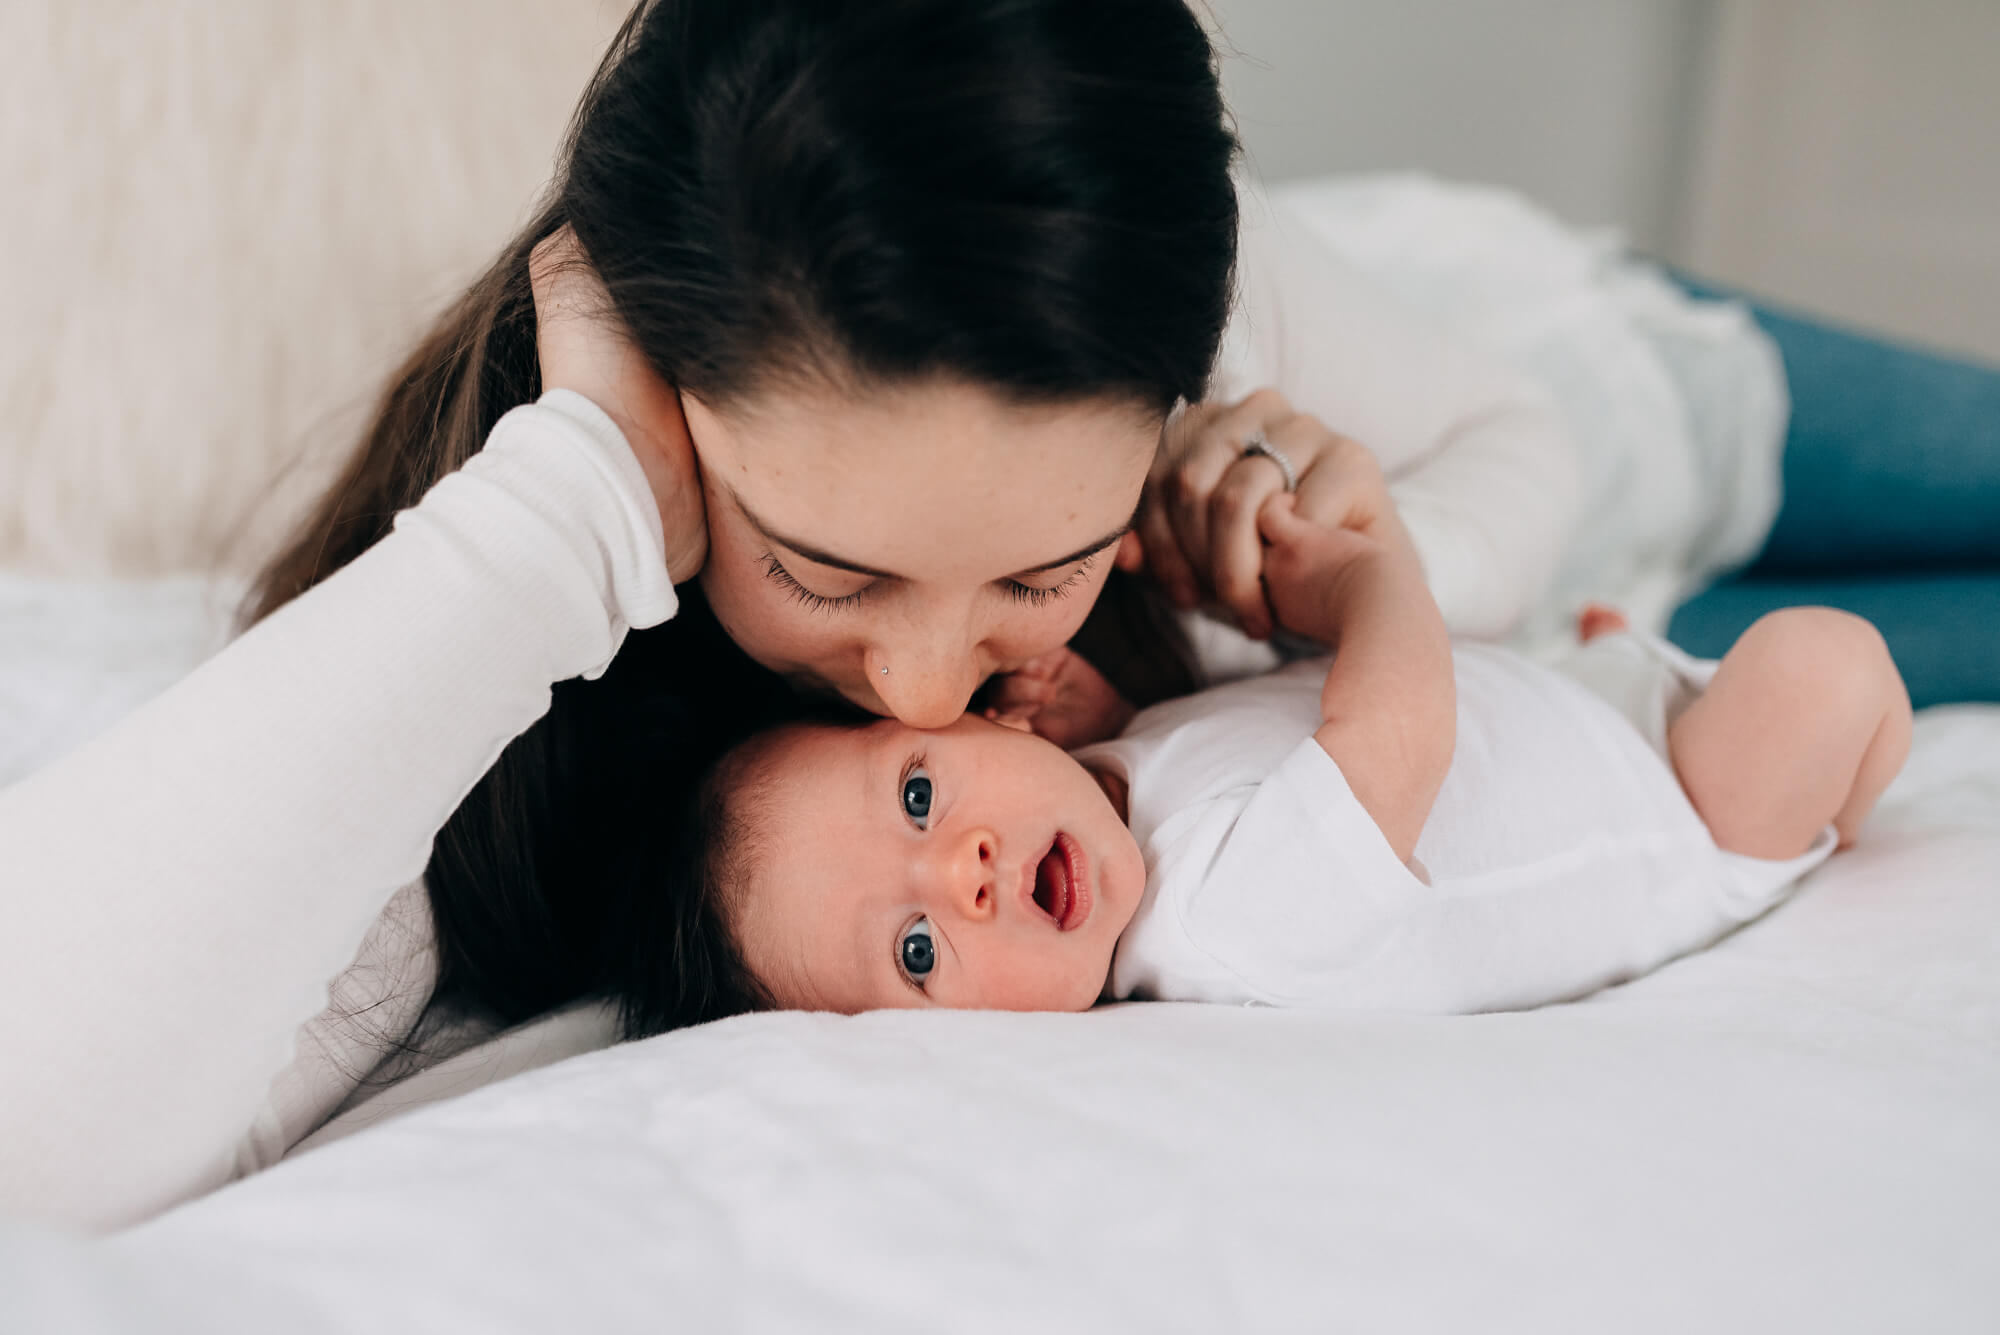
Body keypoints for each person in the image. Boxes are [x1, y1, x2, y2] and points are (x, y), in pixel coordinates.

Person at [0, 0, 1577, 1229]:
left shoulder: (1178, 297)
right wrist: (565, 512)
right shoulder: (542, 707)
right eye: (826, 571)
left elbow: (1537, 440)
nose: (927, 684)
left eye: (1042, 573)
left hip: (1622, 357)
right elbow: (30, 1132)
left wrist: (1342, 556)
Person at [690, 450, 1912, 1017]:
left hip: (1574, 705)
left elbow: (1220, 757)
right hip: (1677, 807)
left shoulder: (1109, 800)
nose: (954, 871)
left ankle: (1617, 656)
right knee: (1825, 667)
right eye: (913, 953)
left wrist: (1110, 726)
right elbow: (1397, 732)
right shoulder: (1224, 929)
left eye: (916, 799)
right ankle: (1834, 811)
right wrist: (1365, 588)